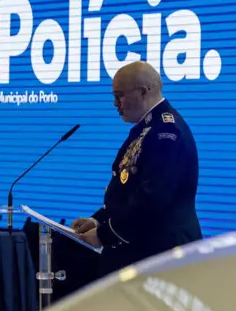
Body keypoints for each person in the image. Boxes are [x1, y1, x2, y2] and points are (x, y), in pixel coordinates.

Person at [71, 61, 202, 278]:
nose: (115, 103)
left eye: (119, 95)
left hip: (161, 256)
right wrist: (97, 220)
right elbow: (127, 190)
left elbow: (152, 199)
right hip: (143, 254)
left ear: (143, 92)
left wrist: (105, 234)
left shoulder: (166, 132)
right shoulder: (147, 128)